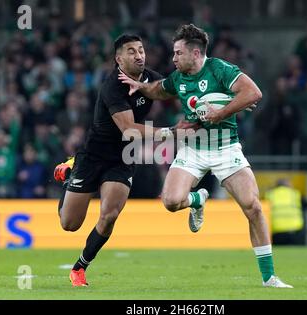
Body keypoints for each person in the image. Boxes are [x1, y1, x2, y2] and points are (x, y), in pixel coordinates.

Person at [119, 24, 293, 288]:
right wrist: (140, 86)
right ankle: (198, 198)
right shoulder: (178, 78)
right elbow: (160, 90)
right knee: (170, 202)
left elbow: (253, 93)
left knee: (253, 207)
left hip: (226, 148)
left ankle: (269, 277)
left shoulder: (220, 69)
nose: (173, 58)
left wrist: (221, 112)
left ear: (196, 53)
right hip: (193, 148)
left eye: (178, 53)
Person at [53, 34, 195, 286]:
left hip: (122, 158)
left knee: (109, 215)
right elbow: (128, 128)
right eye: (131, 51)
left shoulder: (149, 78)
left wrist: (209, 101)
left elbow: (175, 89)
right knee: (69, 224)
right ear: (119, 59)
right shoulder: (112, 86)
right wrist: (171, 132)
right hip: (93, 157)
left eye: (141, 50)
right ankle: (70, 173)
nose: (139, 55)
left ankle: (79, 268)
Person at [265, 178, 306, 245]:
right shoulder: (295, 194)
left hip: (277, 231)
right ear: (288, 185)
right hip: (295, 230)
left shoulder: (270, 194)